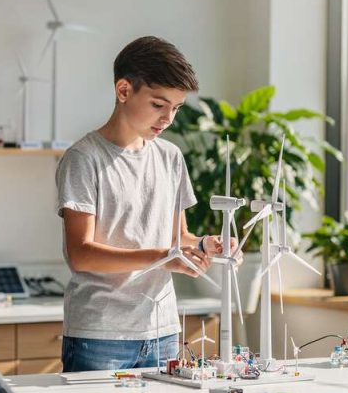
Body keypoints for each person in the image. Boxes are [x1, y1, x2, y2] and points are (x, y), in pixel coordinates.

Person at [55, 36, 231, 373]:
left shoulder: (170, 157)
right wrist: (162, 257)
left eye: (176, 108)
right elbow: (81, 254)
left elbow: (178, 238)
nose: (168, 118)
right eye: (158, 105)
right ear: (124, 91)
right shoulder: (84, 158)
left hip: (163, 332)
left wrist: (205, 245)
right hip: (100, 335)